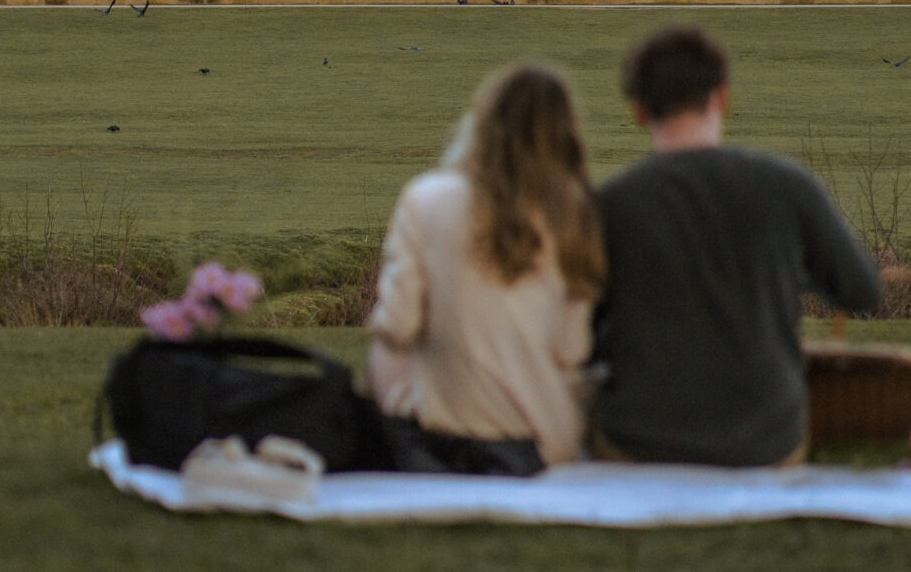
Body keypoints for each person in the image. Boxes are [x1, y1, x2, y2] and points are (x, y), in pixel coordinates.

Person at [589, 26, 880, 465]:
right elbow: (862, 290)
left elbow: (585, 325)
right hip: (764, 440)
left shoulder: (611, 203)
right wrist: (784, 275)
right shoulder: (787, 185)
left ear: (638, 110)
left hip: (639, 439)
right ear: (722, 97)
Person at [367, 65, 604, 472]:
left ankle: (401, 430)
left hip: (445, 437)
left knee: (384, 349)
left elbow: (398, 325)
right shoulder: (573, 212)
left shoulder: (426, 199)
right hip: (546, 442)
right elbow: (573, 349)